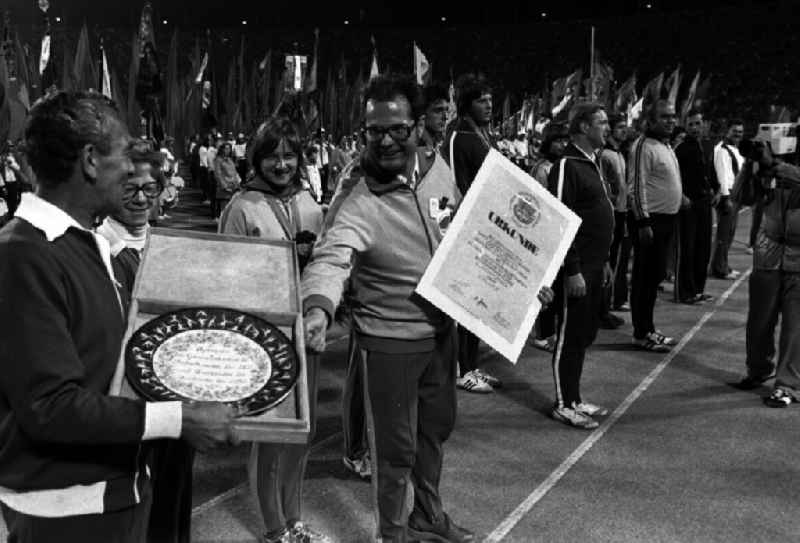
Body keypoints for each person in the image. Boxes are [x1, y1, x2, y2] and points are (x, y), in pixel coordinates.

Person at [0, 90, 236, 543]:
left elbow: (104, 364)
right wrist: (181, 419)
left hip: (112, 491)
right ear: (90, 160)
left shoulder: (81, 242)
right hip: (65, 512)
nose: (132, 169)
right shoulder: (24, 253)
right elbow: (50, 407)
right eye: (124, 153)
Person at [302, 74, 473, 543]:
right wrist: (317, 308)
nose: (385, 140)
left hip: (442, 332)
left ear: (417, 125)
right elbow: (330, 255)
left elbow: (464, 235)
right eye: (374, 130)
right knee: (394, 451)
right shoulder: (356, 193)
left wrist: (516, 292)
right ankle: (391, 534)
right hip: (391, 339)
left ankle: (428, 515)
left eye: (397, 128)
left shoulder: (439, 168)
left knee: (436, 431)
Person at [219, 117, 328, 543]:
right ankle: (273, 526)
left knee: (304, 428)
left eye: (289, 155)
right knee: (270, 433)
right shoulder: (242, 207)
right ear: (256, 159)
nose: (281, 164)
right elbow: (226, 276)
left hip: (308, 332)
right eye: (272, 156)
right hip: (264, 337)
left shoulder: (309, 201)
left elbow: (323, 264)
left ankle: (295, 518)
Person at [96, 140, 195, 543]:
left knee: (172, 504)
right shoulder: (96, 249)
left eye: (149, 189)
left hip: (176, 397)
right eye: (129, 188)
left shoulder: (170, 246)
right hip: (124, 403)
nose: (140, 199)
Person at [543, 102, 614, 429]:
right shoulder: (566, 166)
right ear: (584, 127)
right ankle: (562, 402)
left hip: (596, 265)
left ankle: (574, 397)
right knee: (570, 335)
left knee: (584, 334)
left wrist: (606, 262)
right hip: (578, 270)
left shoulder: (591, 162)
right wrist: (572, 269)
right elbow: (559, 219)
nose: (607, 128)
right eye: (601, 122)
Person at [445, 73, 502, 393]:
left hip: (487, 230)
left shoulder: (485, 135)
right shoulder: (458, 137)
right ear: (467, 104)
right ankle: (460, 369)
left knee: (478, 305)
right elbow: (454, 187)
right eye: (482, 100)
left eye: (491, 100)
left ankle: (472, 364)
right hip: (468, 232)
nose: (489, 105)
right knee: (463, 306)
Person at [732, 146, 800, 408]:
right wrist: (750, 167)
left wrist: (775, 166)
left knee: (794, 328)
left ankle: (788, 385)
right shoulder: (776, 165)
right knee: (759, 322)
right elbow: (741, 197)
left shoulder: (783, 169)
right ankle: (758, 369)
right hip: (769, 252)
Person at [627, 99, 683, 352]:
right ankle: (642, 332)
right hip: (651, 222)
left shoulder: (665, 145)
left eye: (673, 116)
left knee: (654, 277)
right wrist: (643, 221)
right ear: (650, 121)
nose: (671, 121)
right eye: (664, 117)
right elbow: (636, 187)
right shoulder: (643, 146)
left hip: (666, 220)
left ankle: (649, 328)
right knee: (644, 278)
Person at [674, 111, 716, 304]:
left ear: (704, 124)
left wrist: (715, 189)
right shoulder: (680, 149)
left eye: (697, 124)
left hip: (705, 203)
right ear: (685, 125)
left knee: (703, 247)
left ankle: (698, 289)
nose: (694, 128)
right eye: (690, 124)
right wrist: (681, 196)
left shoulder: (707, 146)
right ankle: (685, 292)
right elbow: (674, 177)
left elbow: (710, 171)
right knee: (688, 249)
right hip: (688, 205)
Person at [600, 114, 632, 312]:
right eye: (620, 127)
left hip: (622, 212)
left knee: (618, 259)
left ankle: (610, 302)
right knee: (609, 260)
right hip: (612, 214)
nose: (624, 131)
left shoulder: (619, 153)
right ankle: (604, 306)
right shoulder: (606, 155)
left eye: (625, 127)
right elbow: (605, 185)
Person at [710, 119, 745, 279]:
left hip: (735, 193)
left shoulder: (734, 149)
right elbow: (722, 176)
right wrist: (726, 198)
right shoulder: (722, 149)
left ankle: (724, 265)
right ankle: (719, 268)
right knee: (724, 234)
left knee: (729, 233)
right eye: (735, 131)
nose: (738, 134)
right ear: (727, 131)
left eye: (740, 132)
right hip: (728, 195)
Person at [213, 141, 241, 219]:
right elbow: (217, 174)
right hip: (225, 188)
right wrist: (224, 186)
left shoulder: (230, 159)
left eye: (229, 149)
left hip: (234, 187)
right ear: (222, 149)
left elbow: (234, 172)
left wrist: (238, 182)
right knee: (224, 209)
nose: (227, 150)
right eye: (226, 148)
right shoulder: (218, 160)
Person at [419, 82, 450, 151]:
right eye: (438, 110)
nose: (445, 117)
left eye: (447, 110)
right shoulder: (415, 148)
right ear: (423, 111)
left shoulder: (442, 143)